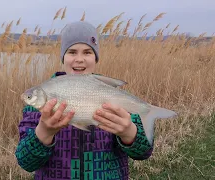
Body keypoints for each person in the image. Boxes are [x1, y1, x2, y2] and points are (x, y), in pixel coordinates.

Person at [15, 21, 154, 180]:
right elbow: (25, 162)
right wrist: (44, 133)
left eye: (87, 52)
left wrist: (128, 132)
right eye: (72, 52)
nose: (79, 59)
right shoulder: (37, 109)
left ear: (96, 58)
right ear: (63, 57)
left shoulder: (115, 97)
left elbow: (144, 152)